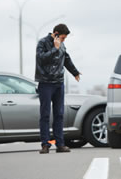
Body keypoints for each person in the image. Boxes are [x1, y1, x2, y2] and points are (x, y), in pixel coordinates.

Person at [35, 24, 81, 154]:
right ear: (55, 34)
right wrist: (55, 49)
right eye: (62, 37)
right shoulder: (42, 43)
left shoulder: (62, 44)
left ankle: (60, 144)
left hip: (59, 84)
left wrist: (75, 72)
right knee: (45, 115)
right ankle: (45, 144)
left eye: (65, 38)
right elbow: (41, 59)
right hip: (45, 83)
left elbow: (66, 58)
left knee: (59, 115)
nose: (63, 40)